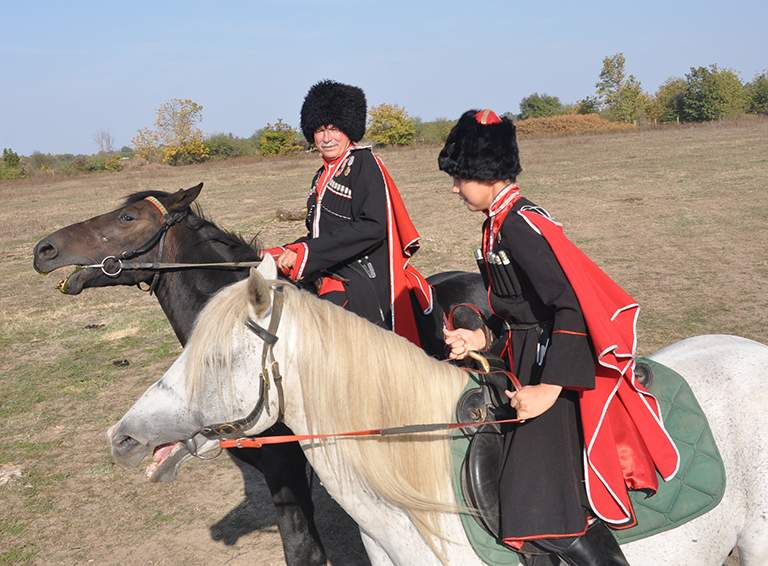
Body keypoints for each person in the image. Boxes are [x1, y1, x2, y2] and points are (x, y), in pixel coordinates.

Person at [439, 109, 680, 565]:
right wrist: (479, 338)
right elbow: (520, 310)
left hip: (557, 364)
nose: (454, 187)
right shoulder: (495, 223)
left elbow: (571, 307)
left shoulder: (519, 225)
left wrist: (550, 390)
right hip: (525, 356)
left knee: (542, 500)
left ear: (484, 174)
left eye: (458, 177)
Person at [265, 80, 431, 346]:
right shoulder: (321, 175)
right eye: (319, 130)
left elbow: (373, 226)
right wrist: (288, 249)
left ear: (349, 128)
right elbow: (318, 233)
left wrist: (308, 254)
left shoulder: (364, 164)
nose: (327, 137)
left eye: (334, 128)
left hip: (361, 272)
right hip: (329, 265)